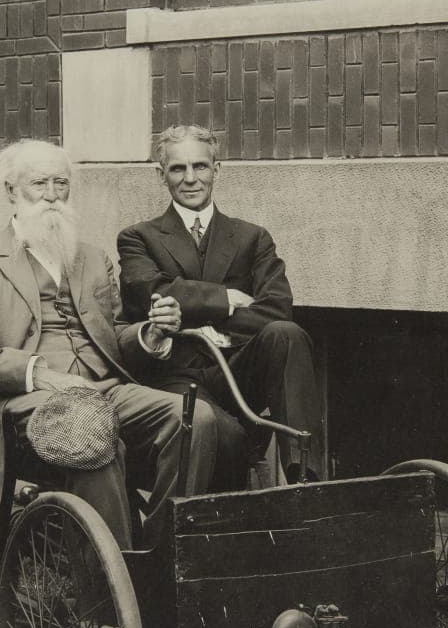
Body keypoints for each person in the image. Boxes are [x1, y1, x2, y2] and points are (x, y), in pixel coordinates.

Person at [0, 137, 219, 549]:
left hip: (103, 389)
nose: (53, 196)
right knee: (87, 430)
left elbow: (115, 334)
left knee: (194, 419)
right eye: (39, 184)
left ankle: (161, 557)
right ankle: (107, 595)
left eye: (61, 183)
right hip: (24, 401)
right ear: (11, 191)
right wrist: (41, 376)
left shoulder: (92, 258)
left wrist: (150, 333)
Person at [117, 124, 321, 484]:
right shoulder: (138, 238)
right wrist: (226, 300)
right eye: (178, 169)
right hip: (176, 377)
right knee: (229, 437)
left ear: (217, 169)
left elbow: (277, 308)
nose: (191, 179)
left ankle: (304, 478)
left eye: (201, 167)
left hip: (237, 370)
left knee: (286, 335)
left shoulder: (251, 237)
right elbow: (149, 292)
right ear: (160, 174)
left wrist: (194, 316)